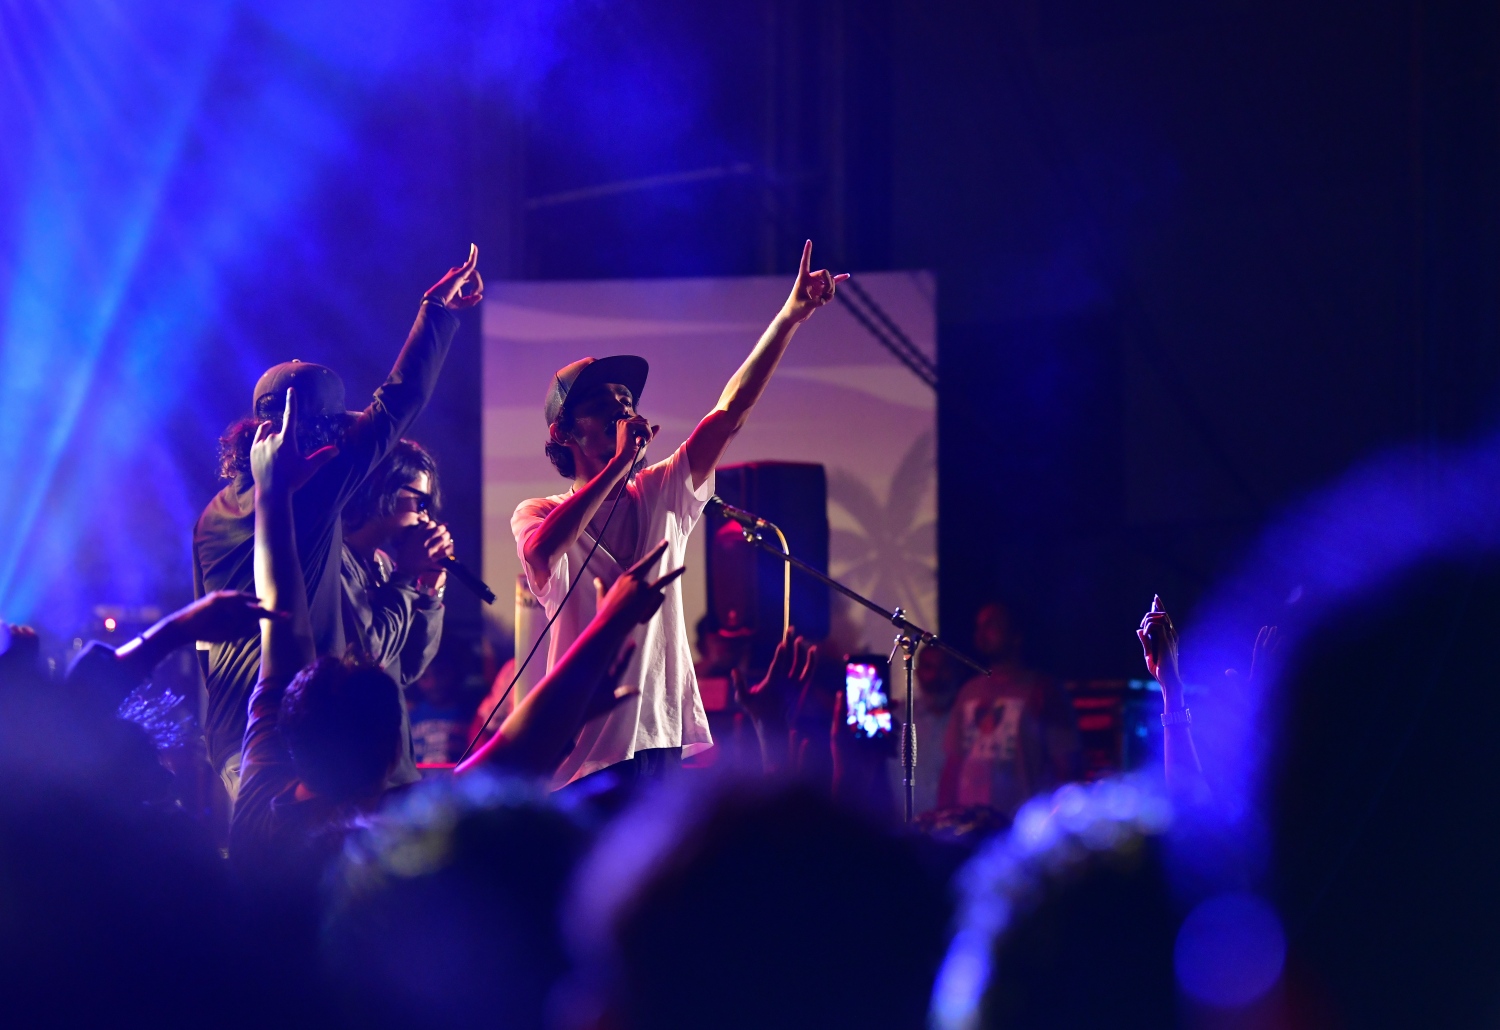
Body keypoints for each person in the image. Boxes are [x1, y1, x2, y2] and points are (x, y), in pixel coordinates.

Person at [513, 241, 848, 789]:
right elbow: (542, 552)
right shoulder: (539, 512)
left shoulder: (661, 489)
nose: (623, 409)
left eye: (627, 401)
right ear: (562, 432)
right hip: (583, 754)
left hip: (661, 739)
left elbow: (730, 411)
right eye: (603, 405)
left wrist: (790, 318)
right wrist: (618, 464)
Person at [195, 246, 483, 801]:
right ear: (315, 433)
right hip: (298, 738)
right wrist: (435, 310)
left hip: (237, 735)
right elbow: (397, 405)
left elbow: (205, 640)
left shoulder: (212, 515)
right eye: (334, 430)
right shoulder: (307, 490)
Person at [342, 439, 453, 785]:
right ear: (383, 491)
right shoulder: (336, 565)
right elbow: (369, 656)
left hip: (398, 770)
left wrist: (430, 589)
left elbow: (408, 668)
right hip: (359, 775)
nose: (425, 516)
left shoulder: (384, 565)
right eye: (419, 502)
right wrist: (405, 577)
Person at [938, 602, 1080, 817]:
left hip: (1023, 823)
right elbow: (954, 763)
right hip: (971, 823)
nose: (982, 633)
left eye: (991, 625)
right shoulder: (969, 691)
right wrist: (944, 813)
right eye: (979, 626)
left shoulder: (1042, 689)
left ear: (1015, 635)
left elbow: (1066, 763)